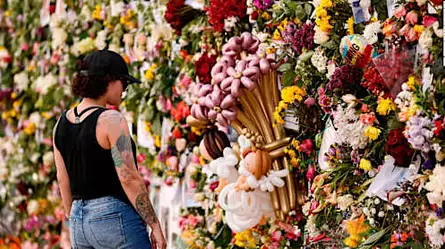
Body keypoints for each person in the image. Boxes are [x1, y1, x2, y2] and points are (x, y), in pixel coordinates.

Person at [52, 49, 166, 249]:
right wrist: (154, 224)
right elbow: (128, 177)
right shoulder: (111, 120)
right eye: (124, 82)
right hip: (113, 217)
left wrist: (75, 220)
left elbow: (63, 180)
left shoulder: (60, 124)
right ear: (109, 81)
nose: (124, 89)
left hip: (78, 222)